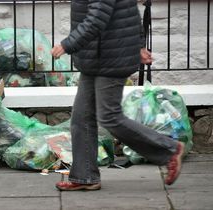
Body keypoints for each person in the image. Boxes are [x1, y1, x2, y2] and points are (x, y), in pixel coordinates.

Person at [51, 0, 184, 191]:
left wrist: (67, 45)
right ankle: (85, 176)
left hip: (112, 58)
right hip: (95, 57)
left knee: (109, 116)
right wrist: (139, 44)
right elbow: (129, 11)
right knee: (81, 117)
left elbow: (96, 18)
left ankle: (170, 149)